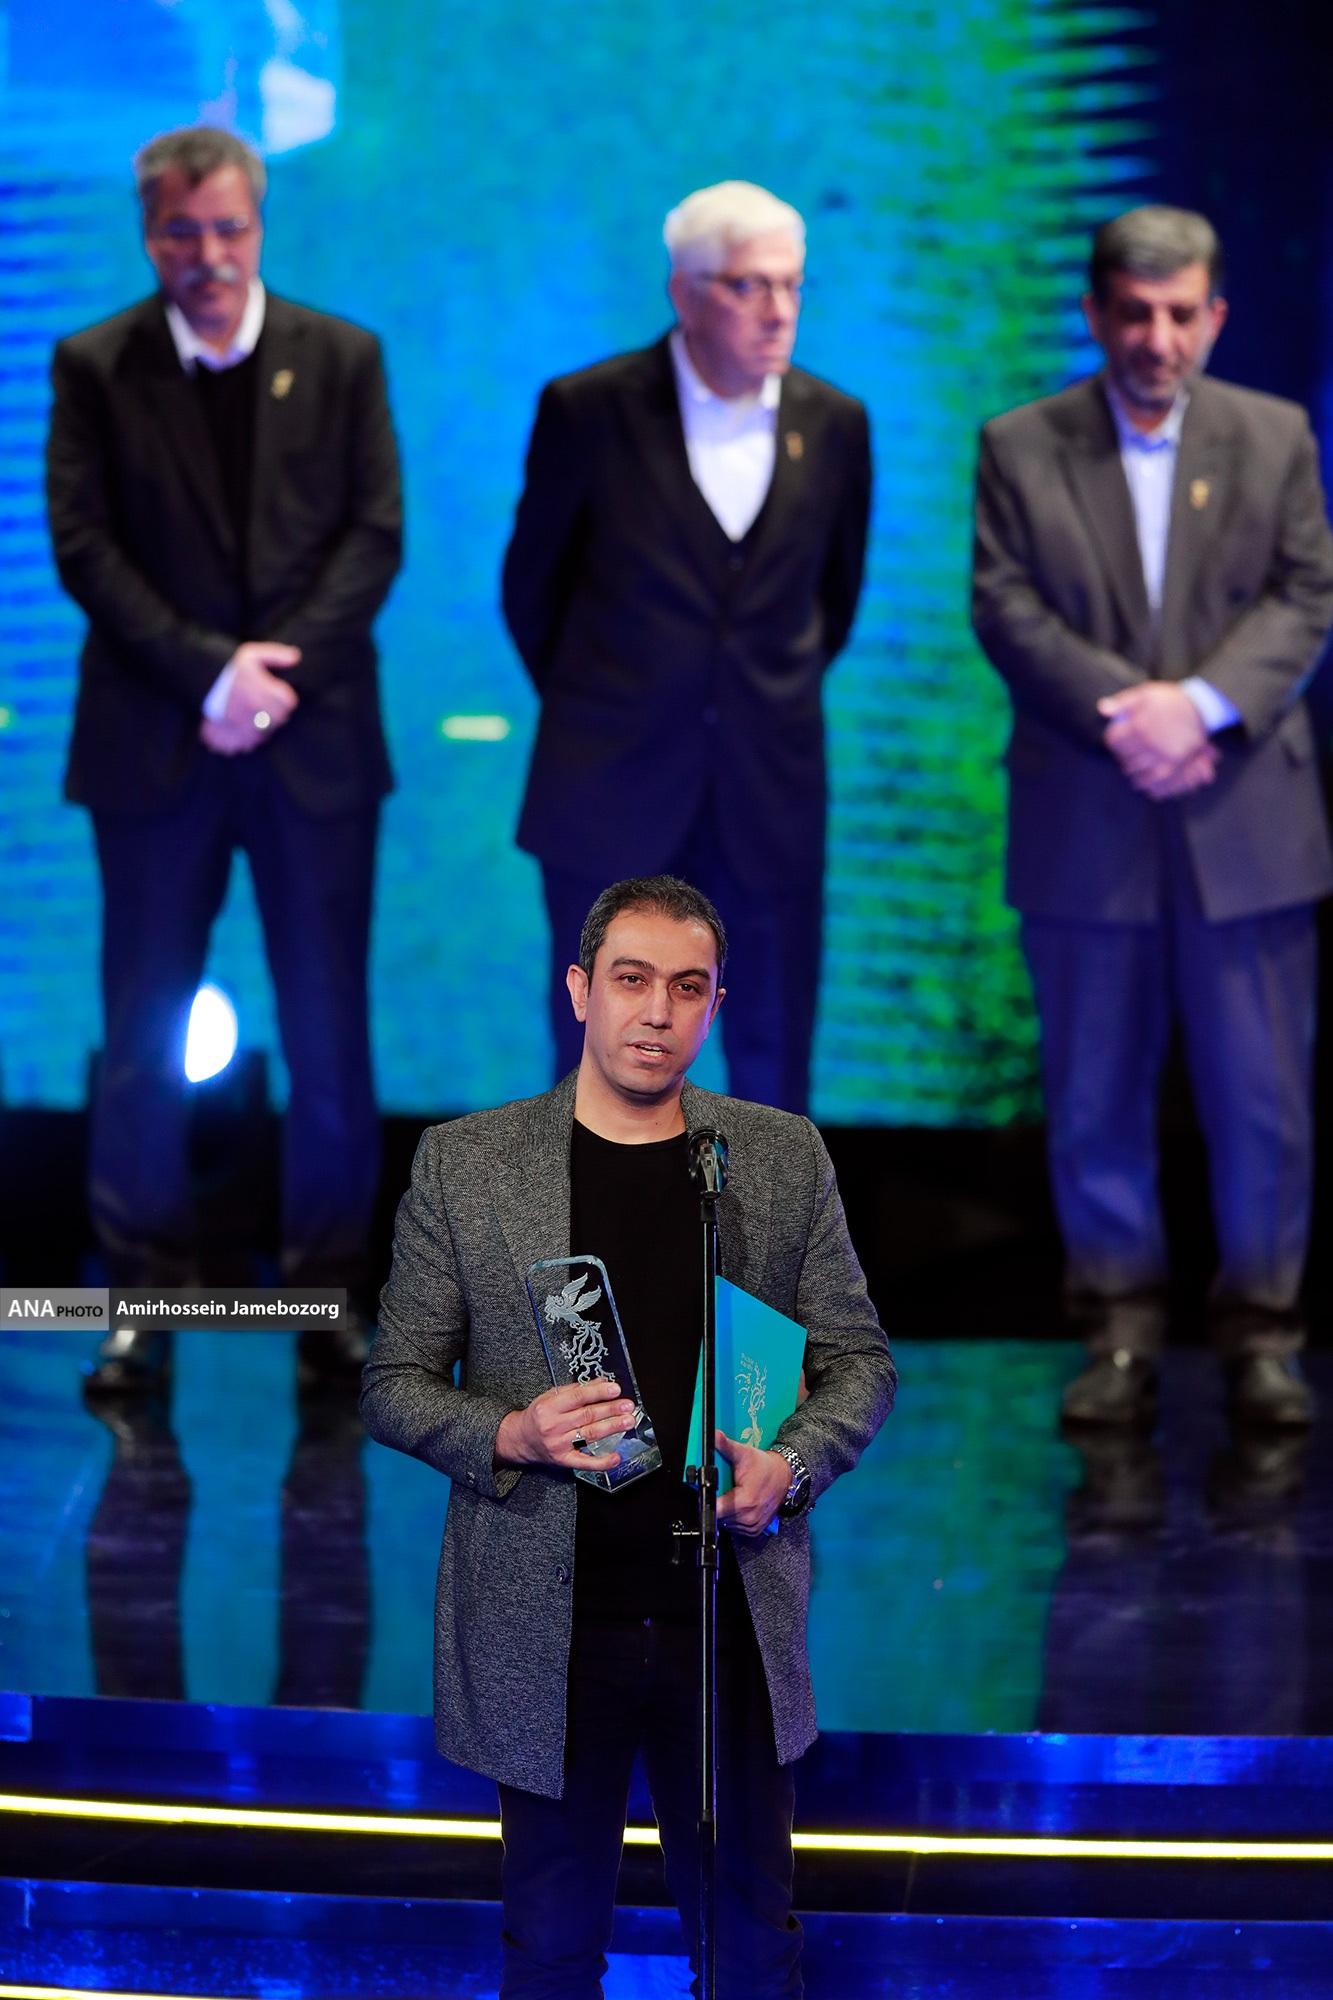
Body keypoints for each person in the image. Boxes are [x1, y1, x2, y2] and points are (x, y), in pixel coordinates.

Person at [361, 875, 895, 1999]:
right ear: (578, 990)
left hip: (725, 1616)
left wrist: (791, 1464)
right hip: (550, 1621)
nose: (657, 1011)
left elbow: (859, 1362)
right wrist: (512, 1429)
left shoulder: (776, 1156)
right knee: (551, 1952)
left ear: (714, 1006)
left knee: (749, 1952)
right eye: (632, 979)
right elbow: (394, 1384)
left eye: (687, 988)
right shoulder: (469, 1163)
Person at [46, 125, 402, 1392]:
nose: (207, 253)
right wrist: (211, 674)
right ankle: (137, 1303)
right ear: (148, 234)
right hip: (156, 742)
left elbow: (374, 534)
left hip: (315, 743)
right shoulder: (94, 364)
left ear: (260, 226)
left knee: (327, 1031)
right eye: (182, 231)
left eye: (228, 228)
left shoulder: (343, 356)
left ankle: (328, 1302)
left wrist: (270, 678)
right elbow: (83, 545)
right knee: (141, 1031)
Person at [971, 205, 1333, 1429]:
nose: (1157, 337)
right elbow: (1004, 606)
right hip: (1087, 816)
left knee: (1261, 1104)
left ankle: (1263, 1337)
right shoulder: (1019, 444)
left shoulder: (1274, 436)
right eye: (1134, 312)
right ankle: (1117, 1333)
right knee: (1092, 1098)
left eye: (1181, 313)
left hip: (1247, 822)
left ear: (1214, 315)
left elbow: (1305, 594)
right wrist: (1129, 716)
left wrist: (1200, 707)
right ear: (1095, 313)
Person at [502, 181, 872, 1116]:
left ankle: (760, 1223)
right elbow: (532, 595)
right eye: (749, 286)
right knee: (599, 1067)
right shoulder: (587, 411)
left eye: (791, 285)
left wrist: (744, 707)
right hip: (610, 791)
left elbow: (828, 606)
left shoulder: (835, 424)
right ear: (684, 292)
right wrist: (621, 706)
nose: (777, 310)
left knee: (772, 1056)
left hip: (767, 797)